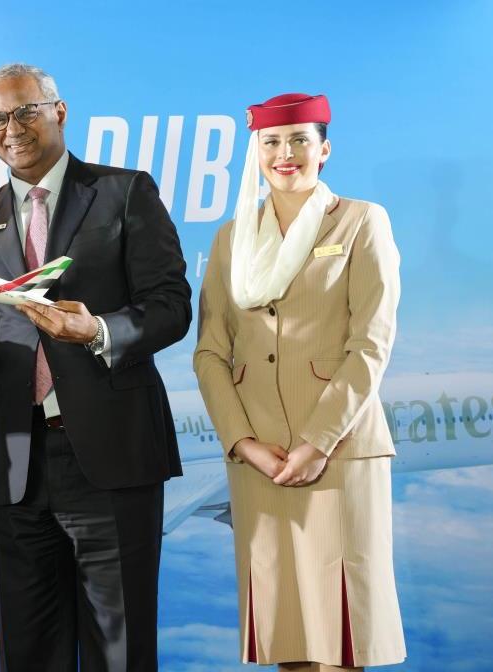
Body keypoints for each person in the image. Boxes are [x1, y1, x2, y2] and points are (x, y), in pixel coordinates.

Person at [0, 64, 192, 670]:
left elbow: (171, 307)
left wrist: (98, 329)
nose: (12, 129)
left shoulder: (124, 192)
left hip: (113, 455)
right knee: (28, 651)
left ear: (59, 111)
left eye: (25, 111)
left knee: (119, 651)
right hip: (16, 463)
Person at [193, 93, 405, 670]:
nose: (284, 154)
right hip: (261, 458)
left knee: (342, 639)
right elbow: (210, 353)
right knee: (285, 634)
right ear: (256, 152)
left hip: (338, 450)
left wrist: (317, 442)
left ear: (324, 149)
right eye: (271, 143)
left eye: (299, 141)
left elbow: (371, 344)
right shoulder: (231, 238)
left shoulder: (361, 221)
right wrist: (242, 444)